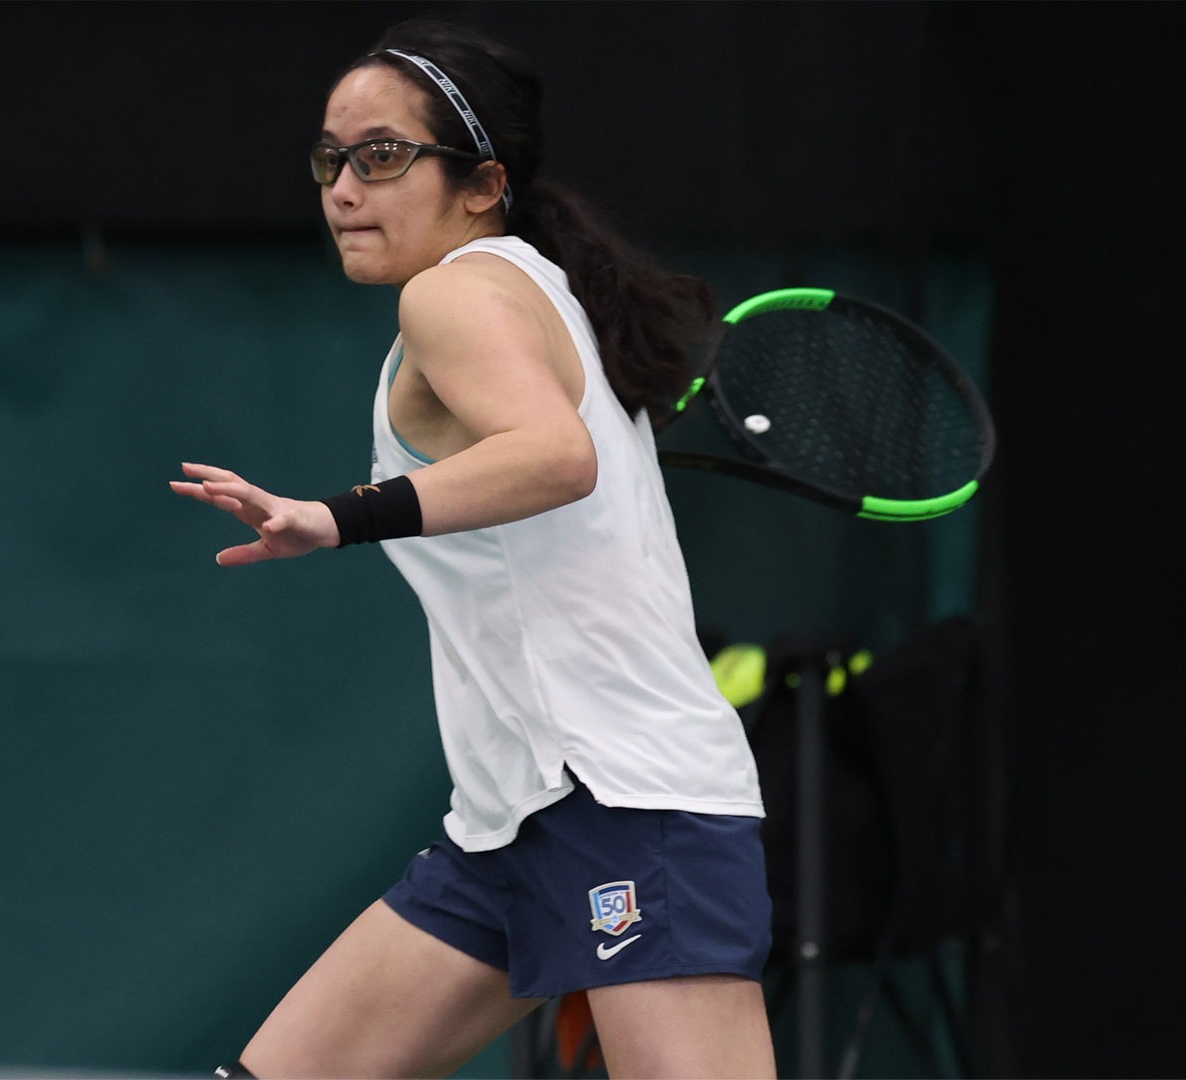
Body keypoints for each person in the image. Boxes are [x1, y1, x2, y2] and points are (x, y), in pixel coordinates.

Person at [173, 18, 774, 1079]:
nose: (344, 188)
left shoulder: (454, 292)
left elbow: (554, 456)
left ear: (483, 183)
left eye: (382, 155)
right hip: (513, 817)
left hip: (627, 799)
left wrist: (336, 515)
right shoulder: (525, 291)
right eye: (331, 158)